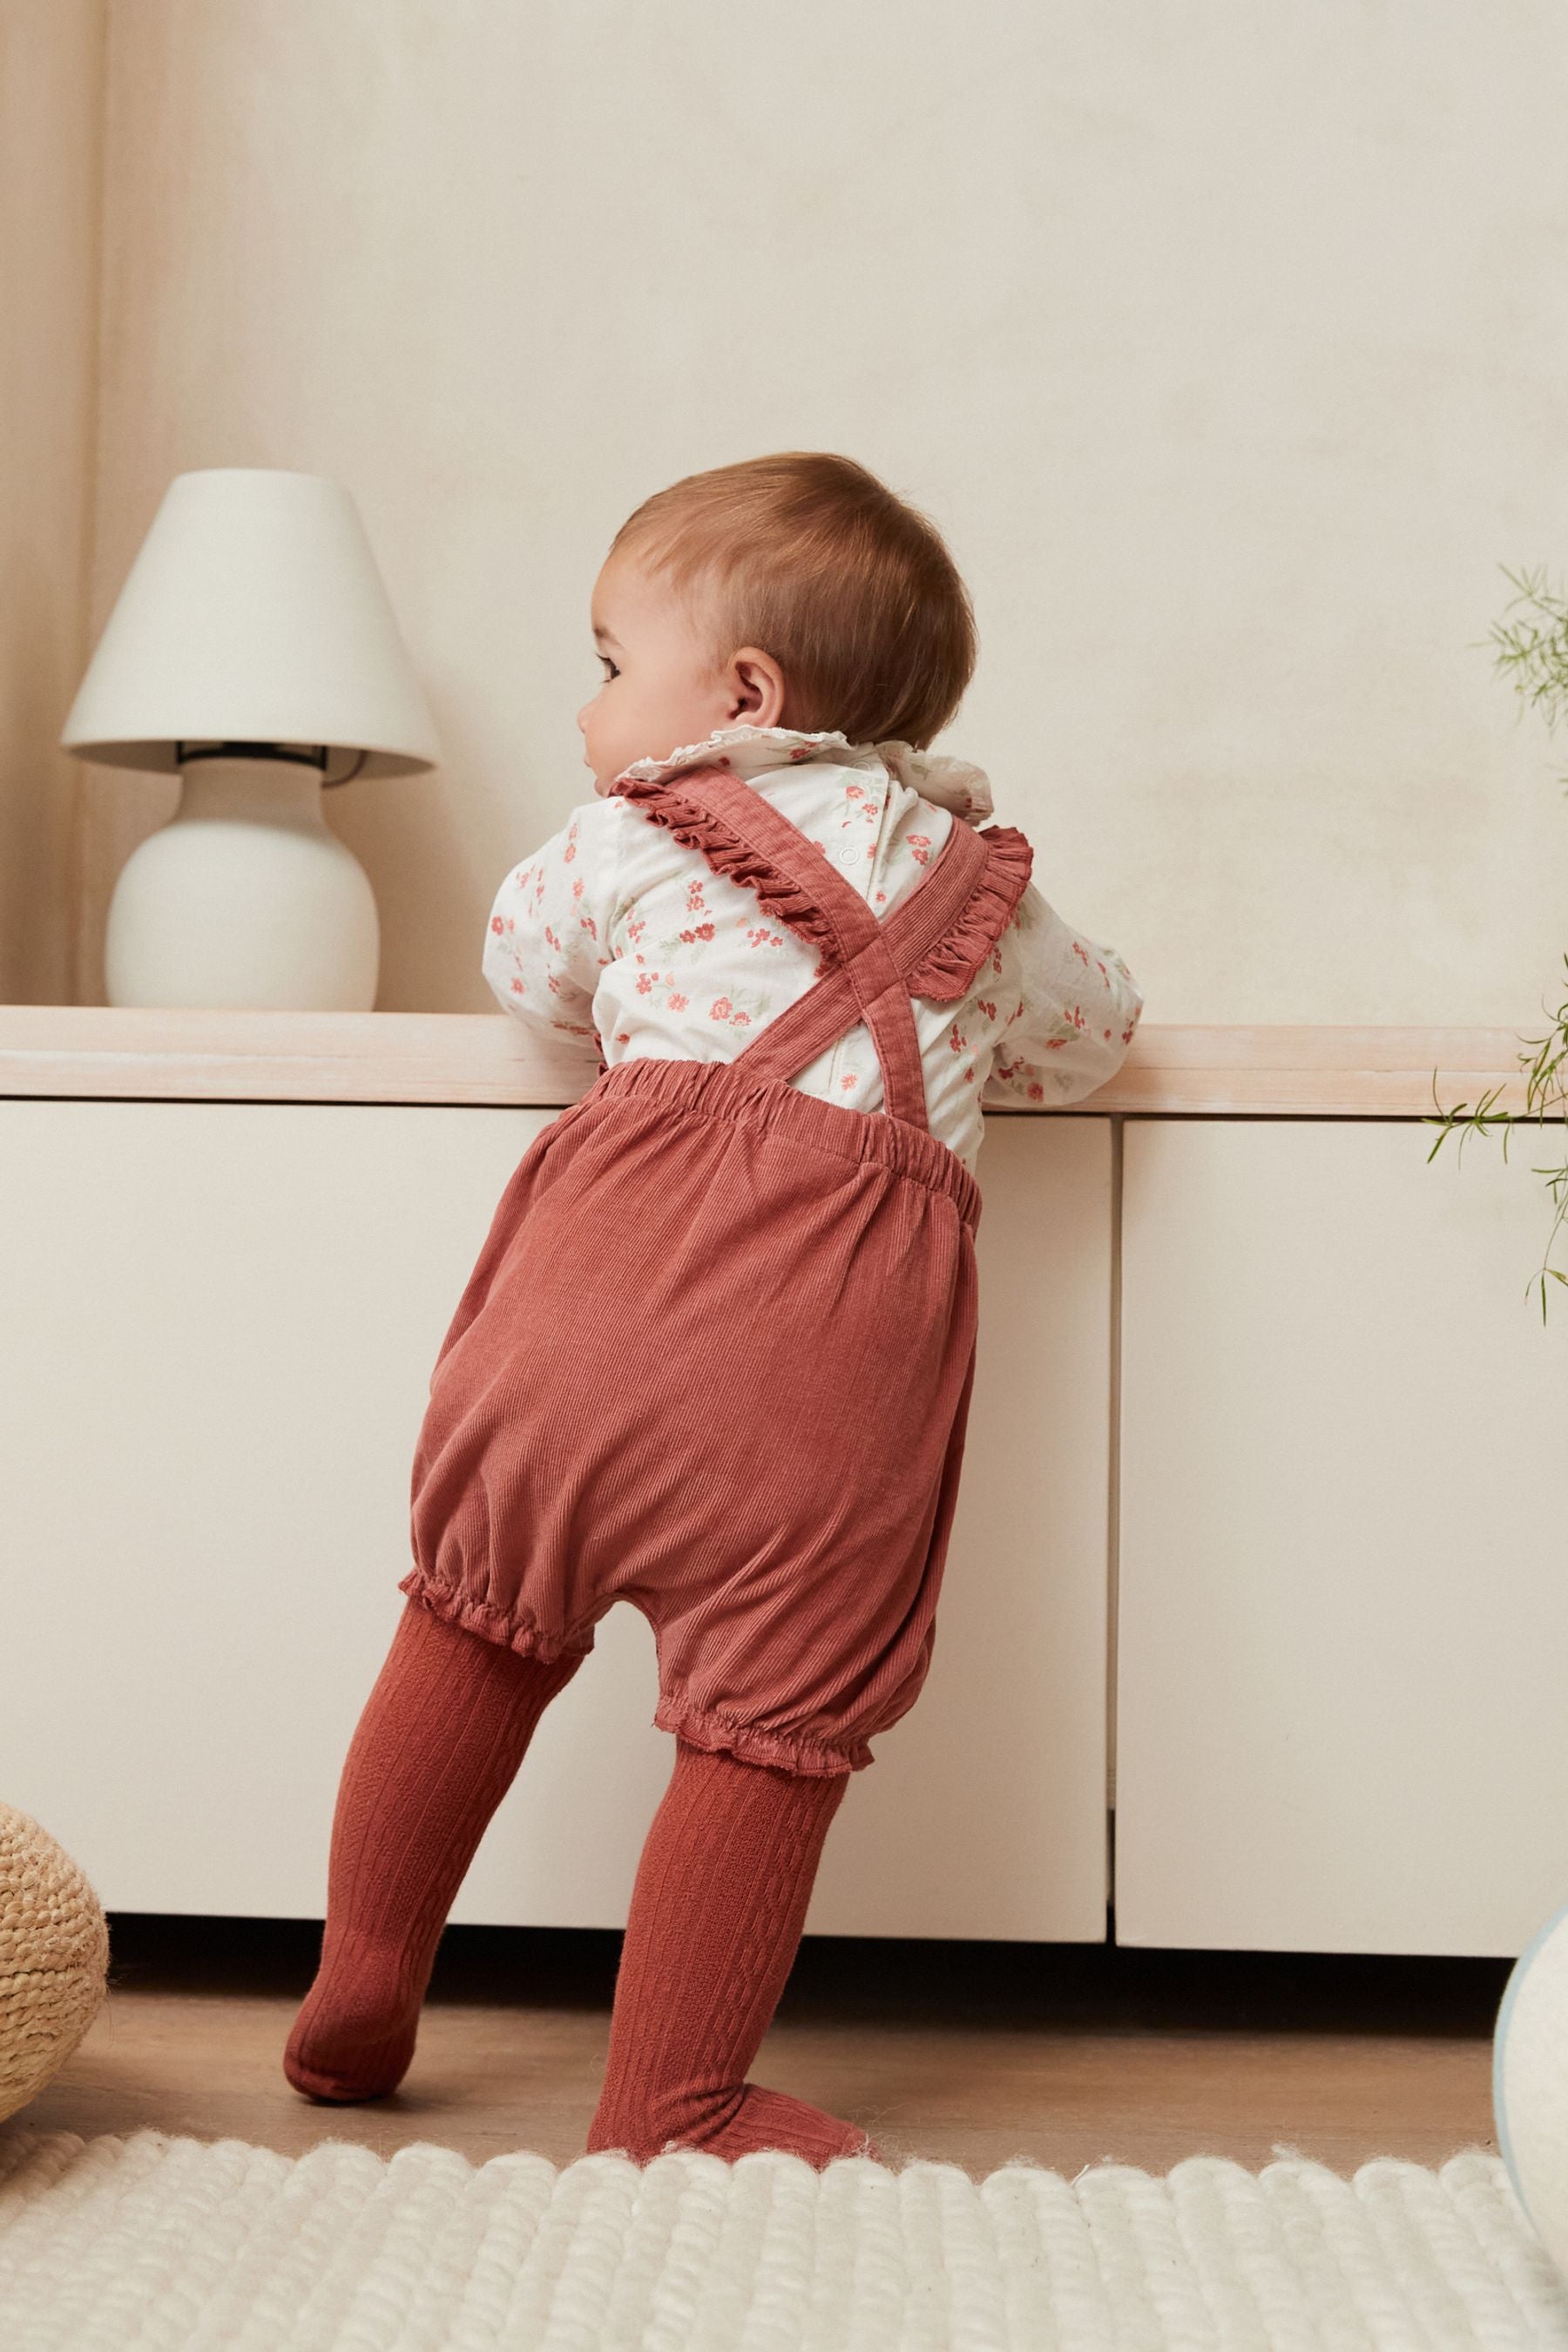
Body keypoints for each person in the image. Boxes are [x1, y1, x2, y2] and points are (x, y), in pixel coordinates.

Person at [282, 451, 1143, 2167]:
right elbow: (1096, 1032)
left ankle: (363, 1979)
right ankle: (670, 2100)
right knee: (764, 1738)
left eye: (610, 664)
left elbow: (523, 967)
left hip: (590, 1311)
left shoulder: (627, 832)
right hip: (823, 1372)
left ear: (740, 697)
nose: (590, 705)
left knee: (474, 1623)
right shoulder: (978, 886)